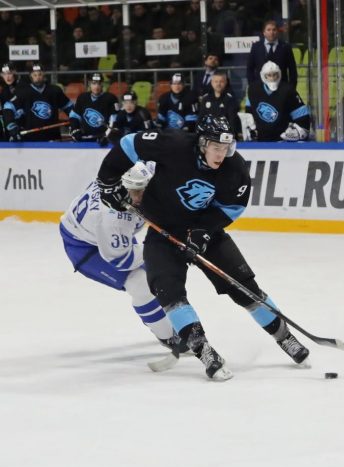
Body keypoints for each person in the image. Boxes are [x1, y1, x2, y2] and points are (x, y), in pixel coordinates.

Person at [94, 115, 310, 381]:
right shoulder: (173, 145)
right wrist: (107, 180)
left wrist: (203, 232)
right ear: (202, 143)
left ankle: (285, 337)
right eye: (216, 148)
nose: (221, 154)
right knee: (167, 291)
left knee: (243, 287)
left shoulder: (235, 168)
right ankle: (203, 349)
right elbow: (128, 144)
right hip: (164, 232)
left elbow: (233, 207)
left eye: (225, 148)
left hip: (204, 230)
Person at [60, 161, 185, 353]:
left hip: (101, 233)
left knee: (157, 276)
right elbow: (122, 259)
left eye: (142, 190)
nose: (138, 197)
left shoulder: (135, 173)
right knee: (140, 283)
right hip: (85, 246)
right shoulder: (113, 218)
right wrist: (164, 252)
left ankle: (158, 320)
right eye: (134, 192)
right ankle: (169, 338)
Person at [2, 64, 73, 142]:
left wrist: (75, 121)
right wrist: (12, 126)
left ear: (44, 75)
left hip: (53, 136)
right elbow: (8, 107)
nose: (37, 77)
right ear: (31, 76)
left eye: (40, 74)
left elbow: (69, 107)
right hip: (31, 138)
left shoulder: (55, 90)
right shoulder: (23, 92)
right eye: (34, 75)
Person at [246, 61, 310, 142]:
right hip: (261, 141)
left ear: (279, 74)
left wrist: (297, 131)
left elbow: (303, 117)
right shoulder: (253, 89)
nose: (272, 78)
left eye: (274, 75)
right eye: (269, 75)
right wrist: (250, 127)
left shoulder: (288, 90)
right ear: (263, 76)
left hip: (283, 141)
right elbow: (248, 112)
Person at [69, 73, 119, 145]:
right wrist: (75, 129)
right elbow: (74, 116)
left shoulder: (111, 98)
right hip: (85, 138)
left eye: (99, 83)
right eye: (94, 83)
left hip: (104, 140)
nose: (96, 86)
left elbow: (114, 121)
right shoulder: (82, 97)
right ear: (89, 84)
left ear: (102, 84)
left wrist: (106, 136)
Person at [246, 19, 297, 86]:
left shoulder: (285, 47)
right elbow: (250, 68)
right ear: (264, 32)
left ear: (277, 32)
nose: (271, 32)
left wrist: (291, 88)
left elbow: (292, 70)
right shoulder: (256, 47)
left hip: (281, 88)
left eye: (274, 30)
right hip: (261, 88)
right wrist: (253, 86)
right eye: (269, 30)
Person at [198, 72, 242, 139]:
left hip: (225, 136)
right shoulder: (206, 99)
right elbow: (201, 119)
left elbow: (232, 121)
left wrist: (231, 136)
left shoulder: (230, 99)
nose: (218, 84)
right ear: (212, 83)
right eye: (216, 81)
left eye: (221, 81)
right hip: (209, 136)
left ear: (225, 82)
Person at [0, 63, 20, 141]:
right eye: (4, 74)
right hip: (7, 127)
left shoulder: (23, 87)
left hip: (21, 125)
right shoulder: (3, 90)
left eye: (9, 73)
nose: (7, 77)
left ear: (14, 73)